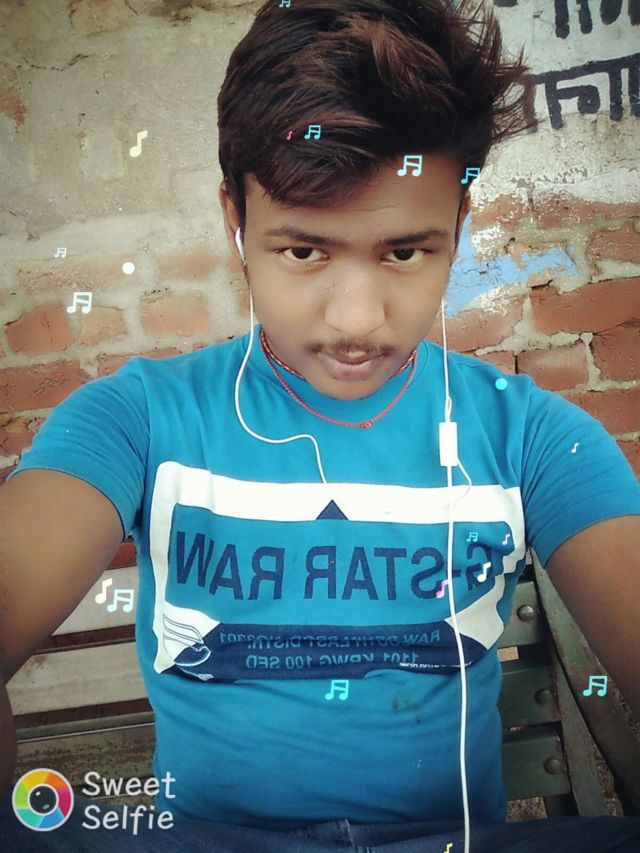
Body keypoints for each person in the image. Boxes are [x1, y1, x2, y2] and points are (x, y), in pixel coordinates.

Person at [1, 1, 639, 851]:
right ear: (235, 221)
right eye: (304, 251)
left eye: (405, 252)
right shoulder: (137, 419)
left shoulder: (536, 439)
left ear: (460, 224)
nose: (355, 319)